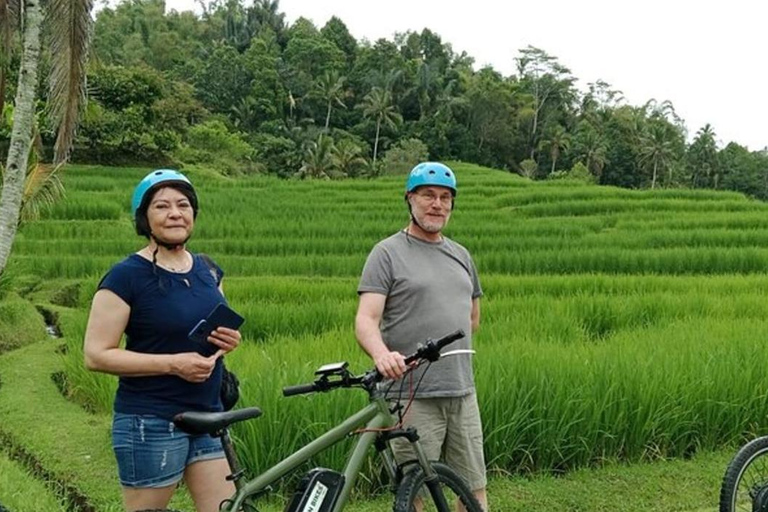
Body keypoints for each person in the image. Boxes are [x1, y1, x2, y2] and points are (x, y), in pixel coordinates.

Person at [83, 169, 241, 512]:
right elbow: (95, 355)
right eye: (162, 206)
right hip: (149, 421)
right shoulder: (125, 277)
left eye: (184, 205)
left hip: (209, 417)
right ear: (144, 218)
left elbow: (207, 336)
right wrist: (173, 364)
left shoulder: (208, 271)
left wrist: (226, 341)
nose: (175, 213)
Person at [355, 162, 488, 510]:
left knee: (473, 487)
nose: (437, 204)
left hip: (461, 391)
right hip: (411, 395)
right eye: (428, 195)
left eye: (445, 198)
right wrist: (381, 355)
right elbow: (366, 319)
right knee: (412, 491)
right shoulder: (387, 253)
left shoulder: (461, 255)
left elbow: (472, 317)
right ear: (410, 199)